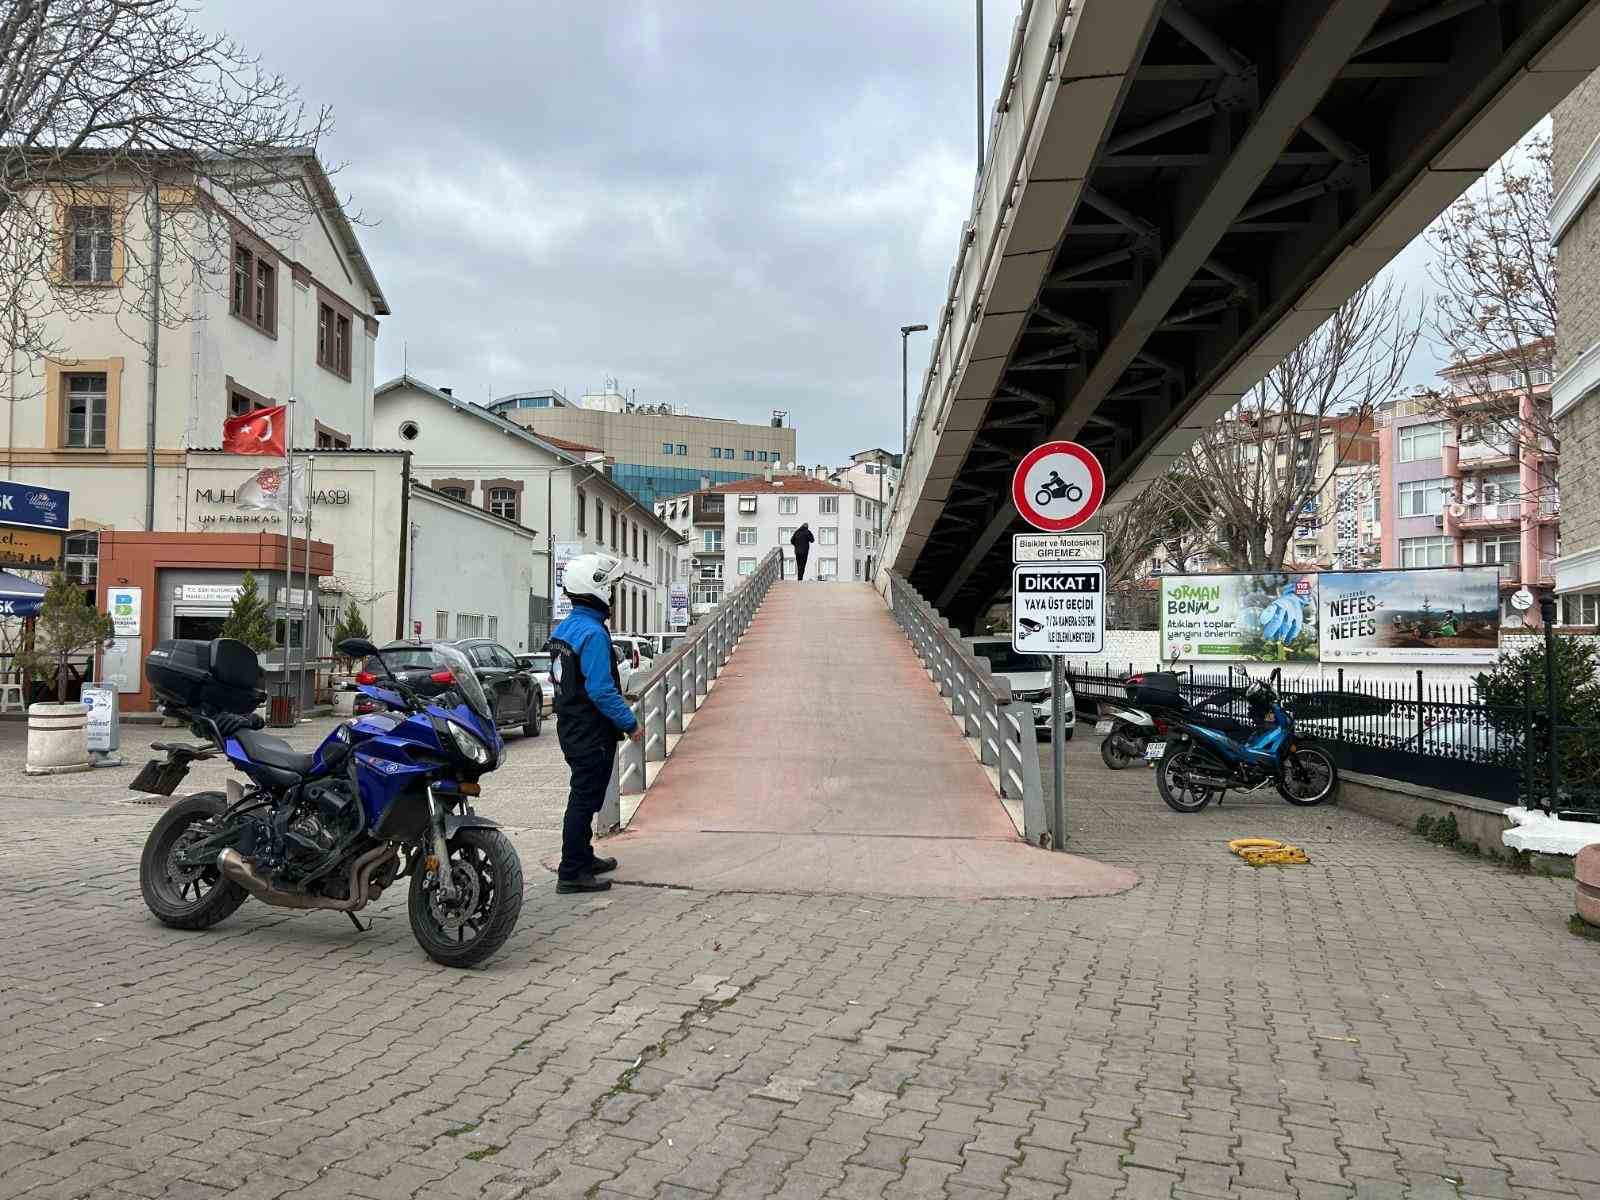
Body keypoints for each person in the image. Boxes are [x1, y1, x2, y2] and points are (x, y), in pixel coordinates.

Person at [547, 552, 640, 893]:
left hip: (570, 725)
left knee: (584, 795)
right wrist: (630, 722)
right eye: (611, 587)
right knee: (585, 799)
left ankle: (583, 856)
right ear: (596, 587)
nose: (613, 595)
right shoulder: (593, 633)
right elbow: (601, 690)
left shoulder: (565, 629)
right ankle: (571, 871)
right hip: (591, 729)